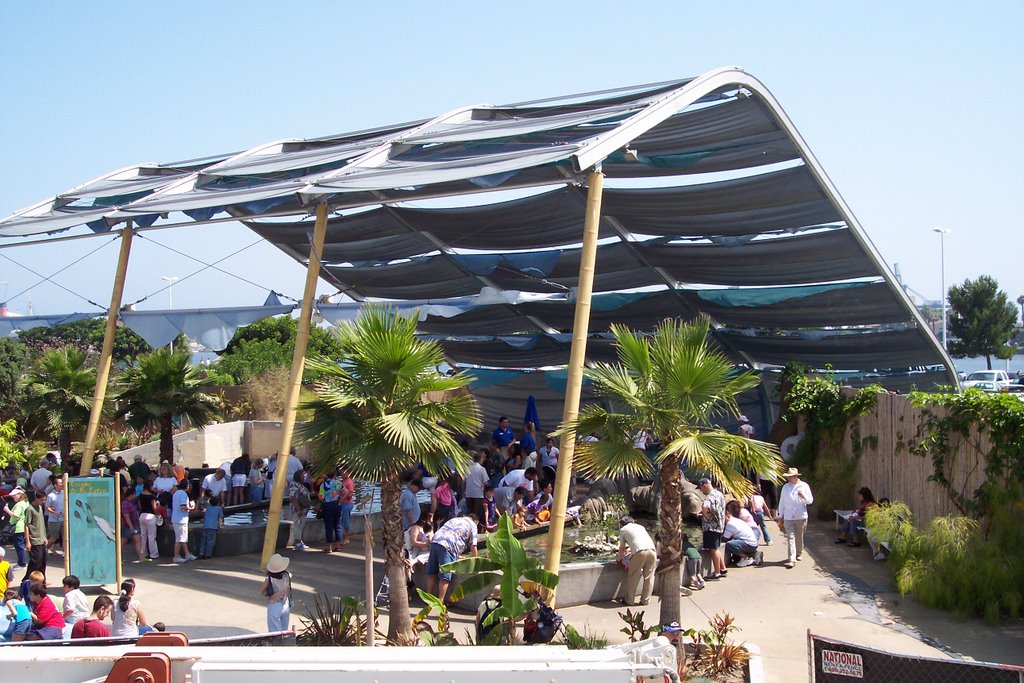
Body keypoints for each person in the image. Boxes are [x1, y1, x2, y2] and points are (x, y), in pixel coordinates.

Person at [426, 514, 479, 604]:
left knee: (432, 572)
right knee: (445, 575)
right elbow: (473, 546)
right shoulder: (473, 525)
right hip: (448, 545)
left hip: (436, 541)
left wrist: (457, 556)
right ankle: (440, 601)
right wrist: (476, 562)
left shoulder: (455, 519)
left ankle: (428, 597)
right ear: (475, 521)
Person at [616, 516, 657, 606]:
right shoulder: (640, 527)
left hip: (640, 552)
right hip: (652, 551)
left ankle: (629, 600)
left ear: (622, 524)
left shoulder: (623, 529)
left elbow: (622, 548)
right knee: (649, 577)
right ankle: (645, 600)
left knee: (633, 575)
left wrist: (619, 559)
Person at [778, 467, 814, 568]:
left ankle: (799, 552)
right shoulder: (785, 487)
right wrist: (780, 516)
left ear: (795, 476)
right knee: (790, 537)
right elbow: (782, 502)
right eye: (788, 477)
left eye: (790, 477)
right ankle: (791, 559)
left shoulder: (804, 486)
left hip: (800, 516)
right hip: (788, 517)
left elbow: (810, 501)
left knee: (799, 536)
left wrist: (803, 496)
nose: (789, 479)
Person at [699, 478, 727, 579]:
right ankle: (723, 568)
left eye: (701, 488)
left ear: (704, 485)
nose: (701, 491)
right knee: (716, 547)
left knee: (713, 549)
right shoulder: (719, 494)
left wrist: (706, 515)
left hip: (711, 526)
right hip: (720, 525)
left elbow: (705, 506)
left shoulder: (709, 496)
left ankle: (717, 572)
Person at [722, 502, 761, 567]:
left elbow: (725, 538)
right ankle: (754, 554)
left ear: (727, 515)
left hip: (749, 543)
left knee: (730, 545)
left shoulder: (730, 524)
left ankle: (746, 558)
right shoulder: (736, 520)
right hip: (753, 543)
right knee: (735, 555)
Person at [262, 553, 292, 632]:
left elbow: (262, 592)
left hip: (274, 605)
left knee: (275, 632)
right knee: (284, 630)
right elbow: (288, 586)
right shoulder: (287, 575)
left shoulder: (268, 579)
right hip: (285, 604)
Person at [171, 480, 196, 564]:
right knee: (179, 539)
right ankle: (176, 556)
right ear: (187, 486)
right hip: (180, 520)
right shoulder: (183, 494)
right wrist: (191, 508)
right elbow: (182, 507)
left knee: (183, 538)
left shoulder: (176, 493)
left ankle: (187, 554)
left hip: (177, 519)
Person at [4, 487, 30, 567]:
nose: (13, 497)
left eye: (14, 495)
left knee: (19, 546)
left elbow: (15, 516)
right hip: (24, 526)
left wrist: (7, 510)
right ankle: (22, 562)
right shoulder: (26, 502)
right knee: (22, 545)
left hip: (18, 527)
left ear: (19, 495)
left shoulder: (19, 504)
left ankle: (21, 563)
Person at [318, 469, 343, 553]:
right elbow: (346, 492)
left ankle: (329, 547)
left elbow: (321, 497)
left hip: (328, 506)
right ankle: (338, 546)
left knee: (329, 526)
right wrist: (340, 501)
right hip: (337, 505)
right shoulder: (338, 483)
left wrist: (321, 497)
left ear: (326, 475)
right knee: (338, 525)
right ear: (334, 475)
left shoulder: (323, 485)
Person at [24, 491, 48, 576]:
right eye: (42, 500)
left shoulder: (40, 507)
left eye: (45, 500)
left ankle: (42, 580)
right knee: (35, 562)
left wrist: (45, 537)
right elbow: (26, 525)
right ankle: (27, 579)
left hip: (42, 539)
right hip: (34, 540)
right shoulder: (30, 509)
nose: (43, 502)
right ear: (36, 498)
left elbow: (41, 523)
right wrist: (28, 541)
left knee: (43, 562)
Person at [137, 481, 161, 562]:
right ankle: (153, 554)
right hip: (150, 516)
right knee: (151, 536)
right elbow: (154, 507)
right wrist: (157, 512)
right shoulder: (152, 496)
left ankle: (143, 553)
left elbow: (140, 506)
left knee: (143, 536)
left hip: (142, 516)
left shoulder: (140, 495)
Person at [288, 470, 311, 551]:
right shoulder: (294, 485)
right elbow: (292, 497)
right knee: (297, 526)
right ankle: (297, 543)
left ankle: (299, 541)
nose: (304, 476)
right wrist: (298, 509)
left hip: (303, 510)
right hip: (298, 510)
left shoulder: (300, 485)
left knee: (300, 526)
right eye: (302, 475)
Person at [464, 451, 489, 522]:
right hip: (478, 494)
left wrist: (464, 491)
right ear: (480, 459)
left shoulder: (468, 468)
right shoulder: (482, 469)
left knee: (470, 513)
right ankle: (476, 529)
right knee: (477, 514)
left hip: (469, 493)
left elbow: (464, 482)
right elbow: (486, 482)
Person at [121, 487, 144, 562]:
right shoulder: (125, 503)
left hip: (134, 524)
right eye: (134, 494)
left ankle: (141, 557)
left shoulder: (132, 502)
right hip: (127, 525)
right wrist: (130, 526)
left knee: (137, 539)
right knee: (123, 541)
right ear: (131, 494)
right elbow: (126, 516)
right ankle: (118, 557)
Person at [44, 476, 65, 554]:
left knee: (65, 537)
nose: (62, 484)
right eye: (60, 483)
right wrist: (54, 513)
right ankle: (43, 549)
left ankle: (64, 553)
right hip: (54, 520)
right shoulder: (51, 495)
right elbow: (47, 507)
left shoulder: (64, 493)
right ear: (55, 485)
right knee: (53, 538)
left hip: (64, 519)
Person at [337, 468, 356, 546]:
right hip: (342, 503)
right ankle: (341, 537)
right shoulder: (342, 482)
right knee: (341, 520)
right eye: (341, 472)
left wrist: (344, 494)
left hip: (347, 503)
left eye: (344, 472)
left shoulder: (349, 482)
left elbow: (350, 495)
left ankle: (346, 538)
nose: (342, 473)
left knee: (346, 520)